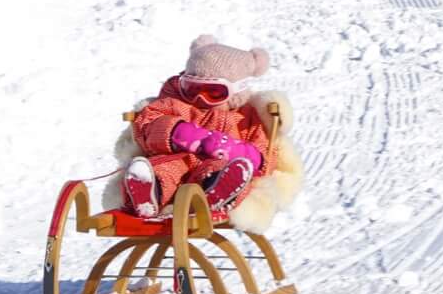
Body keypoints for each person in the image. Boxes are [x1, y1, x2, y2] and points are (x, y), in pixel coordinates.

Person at [114, 35, 303, 230]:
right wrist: (179, 132)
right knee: (165, 168)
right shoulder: (177, 105)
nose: (199, 98)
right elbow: (148, 122)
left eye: (213, 92)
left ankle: (217, 193)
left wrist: (233, 149)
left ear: (237, 91)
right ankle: (149, 194)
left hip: (218, 167)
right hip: (179, 164)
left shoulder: (247, 119)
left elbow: (264, 156)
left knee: (221, 168)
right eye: (191, 88)